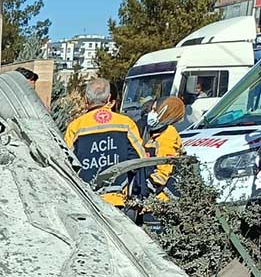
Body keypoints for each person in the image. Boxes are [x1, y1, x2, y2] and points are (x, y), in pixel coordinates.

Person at [64, 77, 147, 205]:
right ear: (109, 99)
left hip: (87, 200)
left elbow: (66, 164)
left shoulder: (75, 127)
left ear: (86, 100)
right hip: (118, 199)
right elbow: (139, 160)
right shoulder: (126, 123)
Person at [144, 95, 185, 195]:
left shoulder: (168, 133)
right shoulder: (155, 133)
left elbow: (164, 170)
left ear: (166, 111)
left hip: (163, 196)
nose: (151, 113)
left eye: (155, 110)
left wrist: (145, 190)